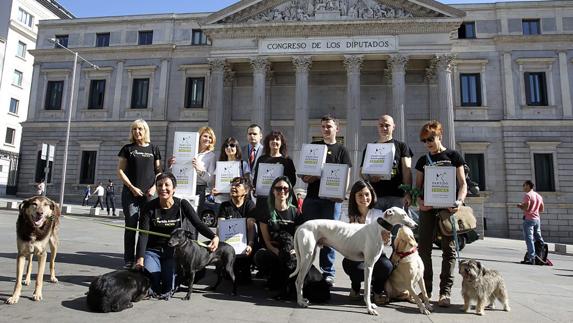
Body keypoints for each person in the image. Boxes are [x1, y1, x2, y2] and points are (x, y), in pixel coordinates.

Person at [135, 172, 219, 299]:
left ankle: (175, 278)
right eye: (159, 185)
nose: (163, 188)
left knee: (168, 287)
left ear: (174, 188)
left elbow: (197, 223)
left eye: (167, 185)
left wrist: (214, 236)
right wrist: (140, 258)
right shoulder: (149, 207)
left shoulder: (182, 204)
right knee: (153, 284)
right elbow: (143, 234)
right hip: (153, 252)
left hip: (174, 253)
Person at [414, 120, 467, 307]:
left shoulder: (453, 156)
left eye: (431, 138)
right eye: (424, 140)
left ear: (440, 136)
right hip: (428, 210)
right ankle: (426, 289)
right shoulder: (422, 160)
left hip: (448, 210)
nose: (428, 142)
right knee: (424, 250)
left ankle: (445, 292)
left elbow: (462, 184)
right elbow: (417, 188)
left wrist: (459, 202)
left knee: (449, 251)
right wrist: (420, 202)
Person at [300, 114, 352, 286]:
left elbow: (346, 174)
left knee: (329, 238)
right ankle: (306, 268)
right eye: (323, 126)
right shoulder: (314, 147)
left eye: (329, 126)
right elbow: (303, 173)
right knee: (309, 237)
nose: (325, 129)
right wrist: (308, 177)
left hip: (331, 201)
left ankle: (328, 272)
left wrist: (342, 193)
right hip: (313, 198)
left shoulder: (342, 150)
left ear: (337, 128)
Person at [117, 119, 162, 269]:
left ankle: (141, 259)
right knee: (130, 226)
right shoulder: (127, 149)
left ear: (145, 131)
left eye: (140, 129)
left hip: (149, 195)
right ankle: (128, 260)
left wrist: (154, 187)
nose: (137, 132)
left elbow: (159, 172)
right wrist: (131, 187)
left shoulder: (154, 149)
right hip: (131, 195)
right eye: (135, 129)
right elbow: (120, 171)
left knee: (145, 228)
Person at [342, 180, 393, 305]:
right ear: (354, 196)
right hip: (355, 254)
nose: (364, 198)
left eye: (367, 194)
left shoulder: (380, 215)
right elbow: (342, 240)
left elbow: (387, 242)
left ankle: (376, 291)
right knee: (351, 265)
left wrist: (387, 239)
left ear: (372, 195)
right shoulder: (346, 215)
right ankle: (355, 287)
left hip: (376, 254)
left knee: (386, 266)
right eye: (360, 195)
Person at [254, 176, 301, 292]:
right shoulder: (266, 212)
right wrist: (278, 252)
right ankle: (271, 276)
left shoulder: (295, 212)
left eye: (286, 188)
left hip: (291, 250)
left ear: (289, 191)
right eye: (279, 188)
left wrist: (295, 250)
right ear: (273, 191)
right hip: (273, 250)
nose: (282, 191)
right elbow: (267, 241)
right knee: (260, 256)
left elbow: (299, 237)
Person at [360, 115, 413, 211]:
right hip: (375, 196)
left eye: (387, 125)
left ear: (393, 127)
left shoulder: (402, 146)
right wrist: (369, 178)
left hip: (397, 196)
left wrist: (408, 193)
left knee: (397, 226)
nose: (384, 128)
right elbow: (362, 171)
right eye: (381, 125)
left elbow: (407, 171)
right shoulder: (370, 147)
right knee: (376, 225)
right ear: (377, 127)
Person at [168, 126, 217, 223]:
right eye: (205, 136)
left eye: (210, 137)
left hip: (199, 189)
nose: (208, 139)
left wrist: (200, 170)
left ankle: (193, 238)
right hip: (182, 186)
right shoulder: (185, 150)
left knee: (195, 220)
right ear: (199, 137)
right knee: (179, 217)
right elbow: (173, 173)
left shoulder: (211, 156)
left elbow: (211, 180)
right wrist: (171, 165)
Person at [217, 176, 257, 283]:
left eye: (237, 185)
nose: (233, 187)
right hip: (228, 244)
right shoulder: (224, 206)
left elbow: (251, 227)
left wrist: (250, 244)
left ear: (246, 191)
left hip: (243, 244)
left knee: (244, 279)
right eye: (232, 185)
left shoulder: (250, 205)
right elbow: (220, 227)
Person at [252, 130, 297, 221]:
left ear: (281, 143)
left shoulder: (287, 160)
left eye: (277, 139)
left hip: (280, 199)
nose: (274, 141)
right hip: (263, 199)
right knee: (262, 223)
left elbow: (292, 181)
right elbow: (256, 179)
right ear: (268, 142)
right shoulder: (262, 159)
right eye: (272, 139)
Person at [211, 137, 249, 204]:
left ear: (237, 148)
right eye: (226, 146)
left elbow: (247, 183)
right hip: (221, 199)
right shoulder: (220, 165)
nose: (228, 148)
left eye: (232, 145)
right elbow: (215, 184)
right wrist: (215, 190)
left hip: (237, 200)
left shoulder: (243, 164)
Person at [517, 180, 545, 265]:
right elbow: (542, 209)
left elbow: (526, 208)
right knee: (539, 239)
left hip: (529, 219)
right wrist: (534, 210)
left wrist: (520, 206)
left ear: (528, 186)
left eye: (524, 185)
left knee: (529, 239)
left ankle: (531, 258)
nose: (523, 187)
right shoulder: (538, 196)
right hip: (537, 219)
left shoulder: (528, 195)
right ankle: (541, 256)